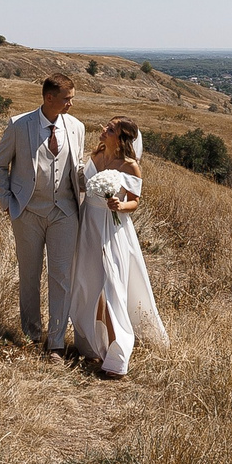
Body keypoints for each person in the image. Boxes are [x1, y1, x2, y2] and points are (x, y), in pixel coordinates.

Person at [0, 75, 87, 356]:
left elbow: (76, 167)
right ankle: (32, 334)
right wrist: (7, 202)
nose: (71, 103)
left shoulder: (77, 127)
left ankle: (56, 342)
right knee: (30, 275)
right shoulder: (19, 125)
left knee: (61, 277)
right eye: (67, 98)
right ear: (49, 98)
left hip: (65, 212)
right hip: (28, 213)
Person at [75, 117, 166, 378]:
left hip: (111, 230)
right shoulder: (96, 155)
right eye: (107, 126)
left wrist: (119, 206)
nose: (104, 130)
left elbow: (135, 202)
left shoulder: (130, 166)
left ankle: (118, 353)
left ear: (123, 138)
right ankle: (94, 344)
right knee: (89, 284)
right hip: (87, 226)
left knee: (110, 286)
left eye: (111, 129)